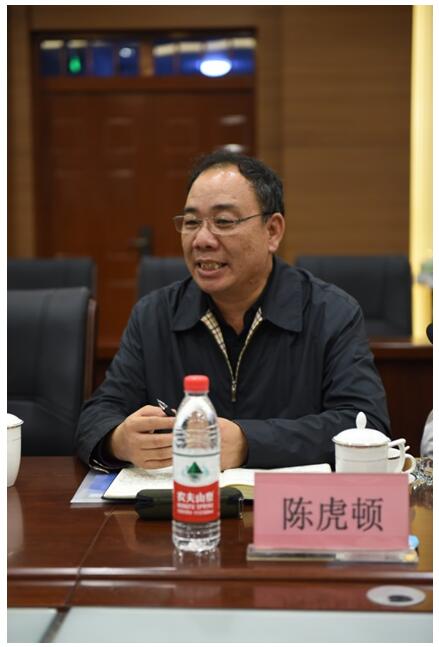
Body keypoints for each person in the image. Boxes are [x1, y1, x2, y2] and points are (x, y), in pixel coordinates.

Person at [76, 151, 390, 472]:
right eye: (191, 222)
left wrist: (248, 442)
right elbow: (98, 413)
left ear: (272, 231)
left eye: (223, 222)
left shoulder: (331, 312)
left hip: (285, 501)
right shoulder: (154, 315)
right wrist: (118, 439)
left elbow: (366, 423)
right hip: (184, 497)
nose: (201, 240)